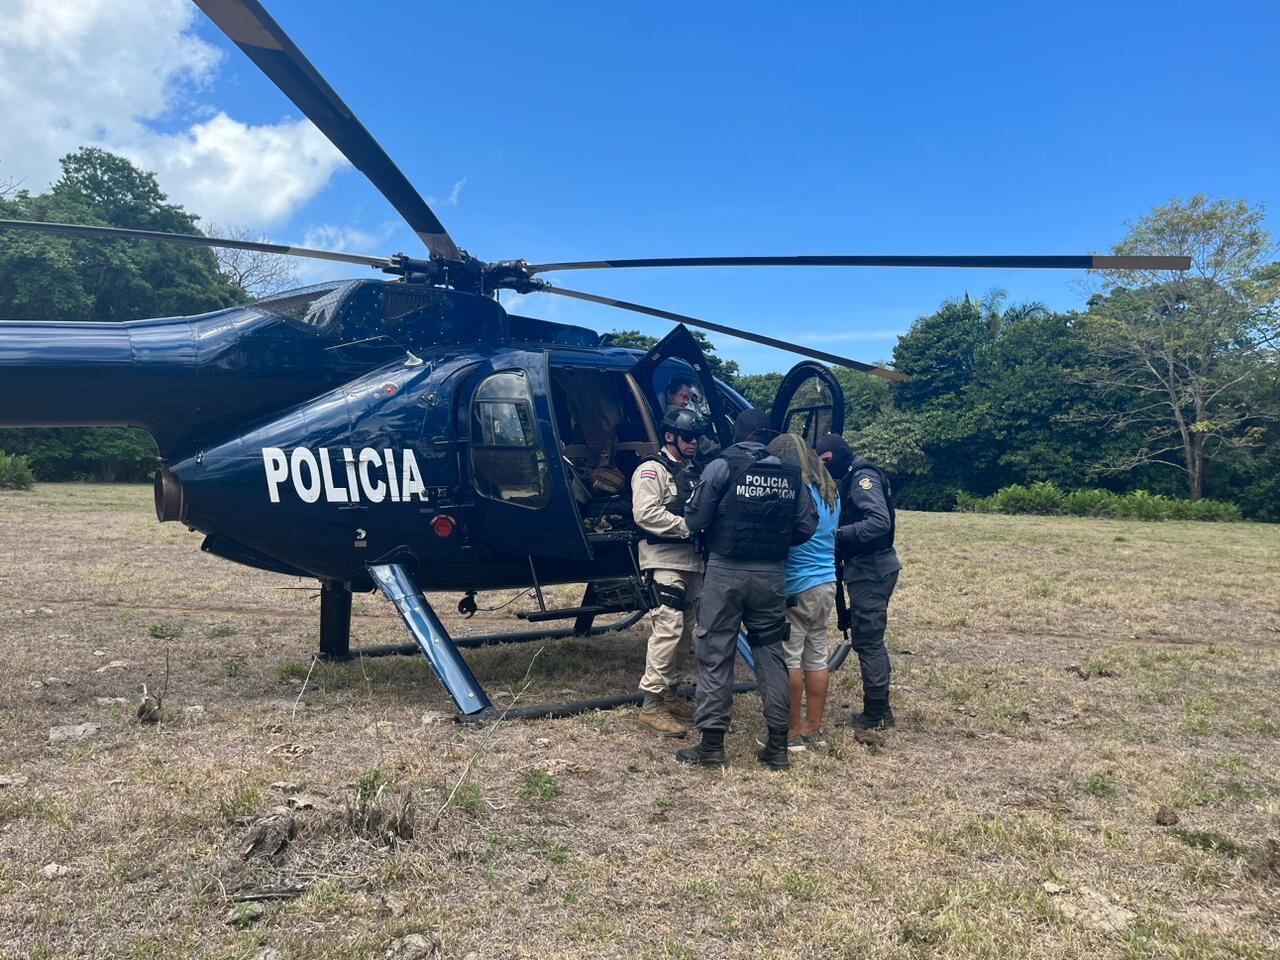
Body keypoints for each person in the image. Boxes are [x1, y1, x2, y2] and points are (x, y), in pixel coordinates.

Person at [677, 409, 818, 771]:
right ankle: (777, 747)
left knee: (715, 654)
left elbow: (695, 519)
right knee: (771, 656)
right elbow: (805, 527)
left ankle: (711, 747)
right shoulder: (792, 473)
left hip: (725, 572)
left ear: (737, 434)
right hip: (772, 574)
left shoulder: (721, 466)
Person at [815, 434, 900, 730]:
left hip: (871, 567)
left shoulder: (862, 477)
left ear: (837, 455)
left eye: (826, 461)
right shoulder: (855, 475)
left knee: (868, 641)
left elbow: (879, 521)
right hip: (870, 567)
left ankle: (874, 715)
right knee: (869, 638)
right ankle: (881, 710)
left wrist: (838, 535)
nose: (825, 468)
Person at [630, 407, 706, 737]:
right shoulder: (652, 470)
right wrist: (686, 527)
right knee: (668, 628)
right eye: (688, 437)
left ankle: (672, 694)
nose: (693, 443)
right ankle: (652, 705)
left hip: (692, 562)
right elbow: (645, 513)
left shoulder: (693, 471)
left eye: (697, 438)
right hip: (664, 560)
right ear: (670, 436)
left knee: (687, 632)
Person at [768, 433, 839, 750]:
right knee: (817, 659)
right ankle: (813, 729)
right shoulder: (831, 492)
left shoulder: (793, 490)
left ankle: (792, 732)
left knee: (790, 660)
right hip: (827, 585)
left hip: (796, 586)